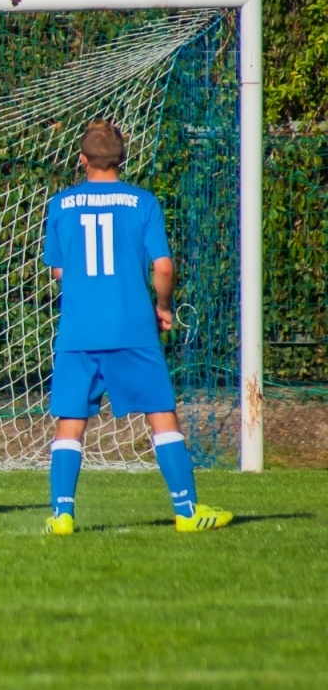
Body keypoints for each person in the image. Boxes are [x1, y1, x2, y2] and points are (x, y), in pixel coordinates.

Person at [41, 121, 232, 535]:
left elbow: (59, 270)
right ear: (122, 159)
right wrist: (163, 306)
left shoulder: (60, 204)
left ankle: (62, 514)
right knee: (161, 415)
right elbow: (163, 267)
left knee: (70, 421)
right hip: (131, 327)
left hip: (79, 329)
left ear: (83, 160)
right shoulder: (142, 202)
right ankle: (186, 512)